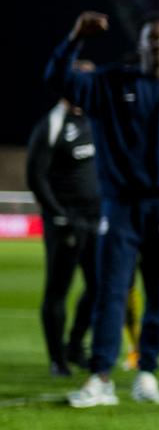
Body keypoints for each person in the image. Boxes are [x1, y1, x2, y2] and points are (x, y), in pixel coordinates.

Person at [49, 13, 159, 409]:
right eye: (151, 37)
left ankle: (147, 373)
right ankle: (101, 375)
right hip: (120, 206)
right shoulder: (110, 82)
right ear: (140, 45)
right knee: (111, 291)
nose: (158, 44)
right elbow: (57, 79)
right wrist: (74, 38)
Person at [28, 91, 101, 377]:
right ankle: (57, 359)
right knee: (58, 289)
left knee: (99, 287)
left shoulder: (95, 121)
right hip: (64, 223)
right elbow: (35, 176)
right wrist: (59, 214)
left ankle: (75, 345)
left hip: (96, 221)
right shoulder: (52, 124)